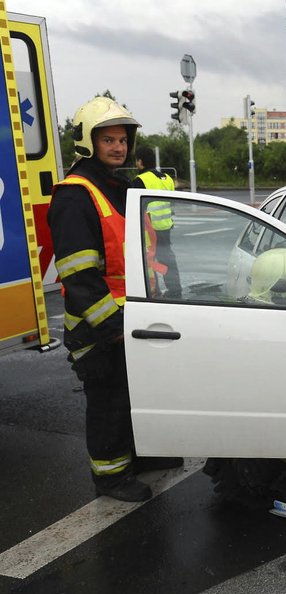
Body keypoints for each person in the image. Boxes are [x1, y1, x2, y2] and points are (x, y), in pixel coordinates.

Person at [48, 96, 179, 503]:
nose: (118, 147)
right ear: (88, 142)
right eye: (108, 140)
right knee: (109, 401)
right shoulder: (75, 195)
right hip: (98, 325)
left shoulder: (121, 187)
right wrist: (113, 327)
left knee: (133, 394)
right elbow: (79, 275)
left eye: (122, 140)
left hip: (130, 319)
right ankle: (110, 476)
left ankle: (138, 457)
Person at [132, 146, 180, 297]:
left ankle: (154, 291)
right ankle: (175, 289)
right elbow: (172, 202)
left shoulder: (140, 180)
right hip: (166, 226)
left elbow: (135, 208)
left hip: (149, 228)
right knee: (167, 257)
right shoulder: (167, 178)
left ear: (140, 162)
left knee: (149, 260)